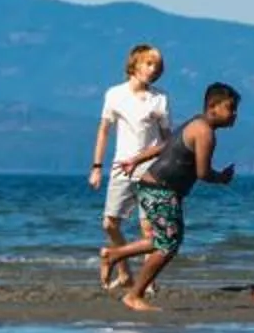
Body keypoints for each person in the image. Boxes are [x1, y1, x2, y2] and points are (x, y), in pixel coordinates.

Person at [104, 82, 241, 312]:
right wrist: (222, 178)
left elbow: (166, 145)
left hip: (153, 187)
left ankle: (115, 254)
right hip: (161, 190)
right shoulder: (205, 132)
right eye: (231, 108)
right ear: (213, 106)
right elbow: (202, 173)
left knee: (164, 241)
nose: (235, 114)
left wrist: (137, 159)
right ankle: (134, 295)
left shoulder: (195, 122)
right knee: (168, 245)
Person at [89, 45, 172, 283]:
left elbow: (168, 139)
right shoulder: (114, 94)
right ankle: (124, 270)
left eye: (157, 66)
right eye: (149, 64)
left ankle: (147, 283)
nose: (153, 69)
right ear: (134, 65)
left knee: (149, 230)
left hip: (152, 170)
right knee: (109, 223)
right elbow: (104, 130)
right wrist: (97, 167)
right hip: (121, 167)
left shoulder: (160, 98)